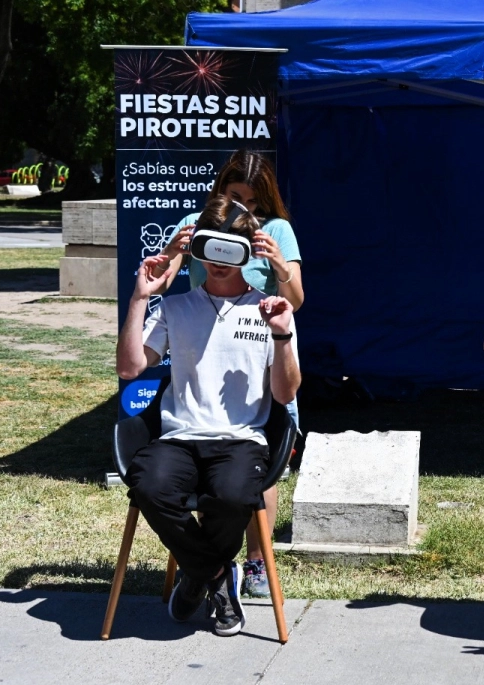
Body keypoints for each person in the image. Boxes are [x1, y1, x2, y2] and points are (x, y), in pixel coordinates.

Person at [115, 195, 301, 637]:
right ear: (196, 247)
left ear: (248, 251)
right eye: (209, 248)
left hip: (242, 439)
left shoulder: (271, 310)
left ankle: (197, 576)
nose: (217, 262)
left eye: (229, 250)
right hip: (179, 438)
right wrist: (140, 297)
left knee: (234, 496)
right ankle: (217, 575)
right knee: (149, 485)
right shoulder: (175, 307)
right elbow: (129, 368)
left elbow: (284, 393)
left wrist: (281, 337)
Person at [152, 149, 302, 599]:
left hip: (262, 354)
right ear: (221, 190)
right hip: (207, 357)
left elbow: (296, 299)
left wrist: (278, 264)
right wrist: (172, 253)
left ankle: (256, 562)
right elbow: (164, 280)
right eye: (237, 197)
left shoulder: (277, 230)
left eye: (254, 202)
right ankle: (213, 567)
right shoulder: (197, 223)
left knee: (258, 471)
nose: (246, 209)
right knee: (208, 475)